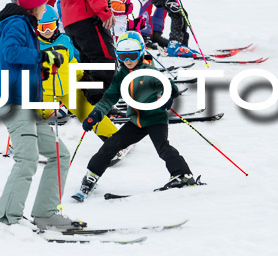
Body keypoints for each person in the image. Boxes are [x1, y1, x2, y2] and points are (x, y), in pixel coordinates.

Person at [0, 0, 80, 230]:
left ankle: (45, 212)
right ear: (34, 6)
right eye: (43, 3)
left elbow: (20, 62)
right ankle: (7, 219)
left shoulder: (27, 27)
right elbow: (10, 53)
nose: (46, 7)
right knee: (27, 159)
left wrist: (41, 69)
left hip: (29, 103)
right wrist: (42, 56)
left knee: (60, 155)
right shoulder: (17, 24)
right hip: (14, 102)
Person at [71, 31, 197, 202]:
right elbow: (109, 97)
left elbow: (171, 88)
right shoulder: (121, 75)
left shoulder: (149, 71)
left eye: (132, 55)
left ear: (140, 53)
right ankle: (91, 177)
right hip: (135, 122)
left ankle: (183, 174)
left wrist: (167, 97)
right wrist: (97, 112)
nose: (128, 60)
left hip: (155, 119)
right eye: (123, 56)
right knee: (111, 145)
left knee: (162, 147)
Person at [36, 4, 119, 140]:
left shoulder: (64, 40)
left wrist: (83, 79)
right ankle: (20, 145)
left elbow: (72, 62)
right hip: (46, 91)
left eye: (50, 26)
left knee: (88, 111)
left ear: (57, 24)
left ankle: (115, 139)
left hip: (69, 89)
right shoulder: (34, 45)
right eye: (42, 27)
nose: (47, 31)